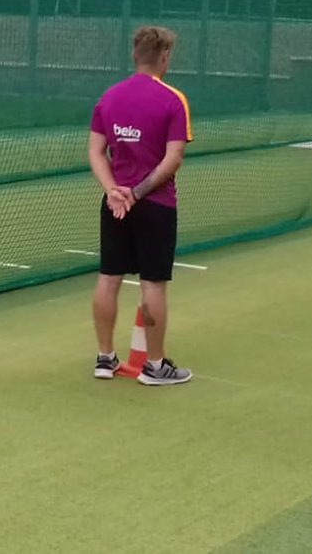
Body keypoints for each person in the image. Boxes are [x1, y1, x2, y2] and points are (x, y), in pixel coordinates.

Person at [87, 25, 193, 386]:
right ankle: (155, 365)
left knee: (109, 277)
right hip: (156, 205)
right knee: (153, 284)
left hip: (115, 204)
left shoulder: (110, 96)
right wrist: (136, 192)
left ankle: (104, 358)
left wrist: (114, 190)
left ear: (135, 56)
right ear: (164, 57)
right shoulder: (173, 99)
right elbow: (173, 158)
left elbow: (95, 151)